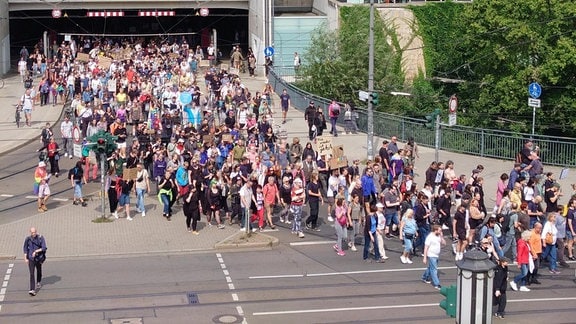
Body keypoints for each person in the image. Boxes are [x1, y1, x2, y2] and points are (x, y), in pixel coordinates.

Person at [23, 227, 47, 296]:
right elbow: (25, 248)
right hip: (31, 258)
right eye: (32, 232)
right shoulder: (28, 239)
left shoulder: (40, 238)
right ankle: (32, 289)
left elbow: (44, 247)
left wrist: (36, 251)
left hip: (38, 258)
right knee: (31, 273)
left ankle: (38, 281)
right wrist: (25, 258)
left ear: (36, 232)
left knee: (39, 270)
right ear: (30, 232)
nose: (33, 234)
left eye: (34, 232)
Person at [422, 224, 446, 290]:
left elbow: (444, 243)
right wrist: (425, 257)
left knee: (431, 267)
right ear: (435, 230)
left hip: (437, 255)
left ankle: (424, 277)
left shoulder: (439, 236)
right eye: (440, 230)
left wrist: (441, 237)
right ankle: (437, 284)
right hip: (431, 255)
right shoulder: (430, 237)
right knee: (434, 269)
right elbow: (426, 247)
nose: (441, 232)